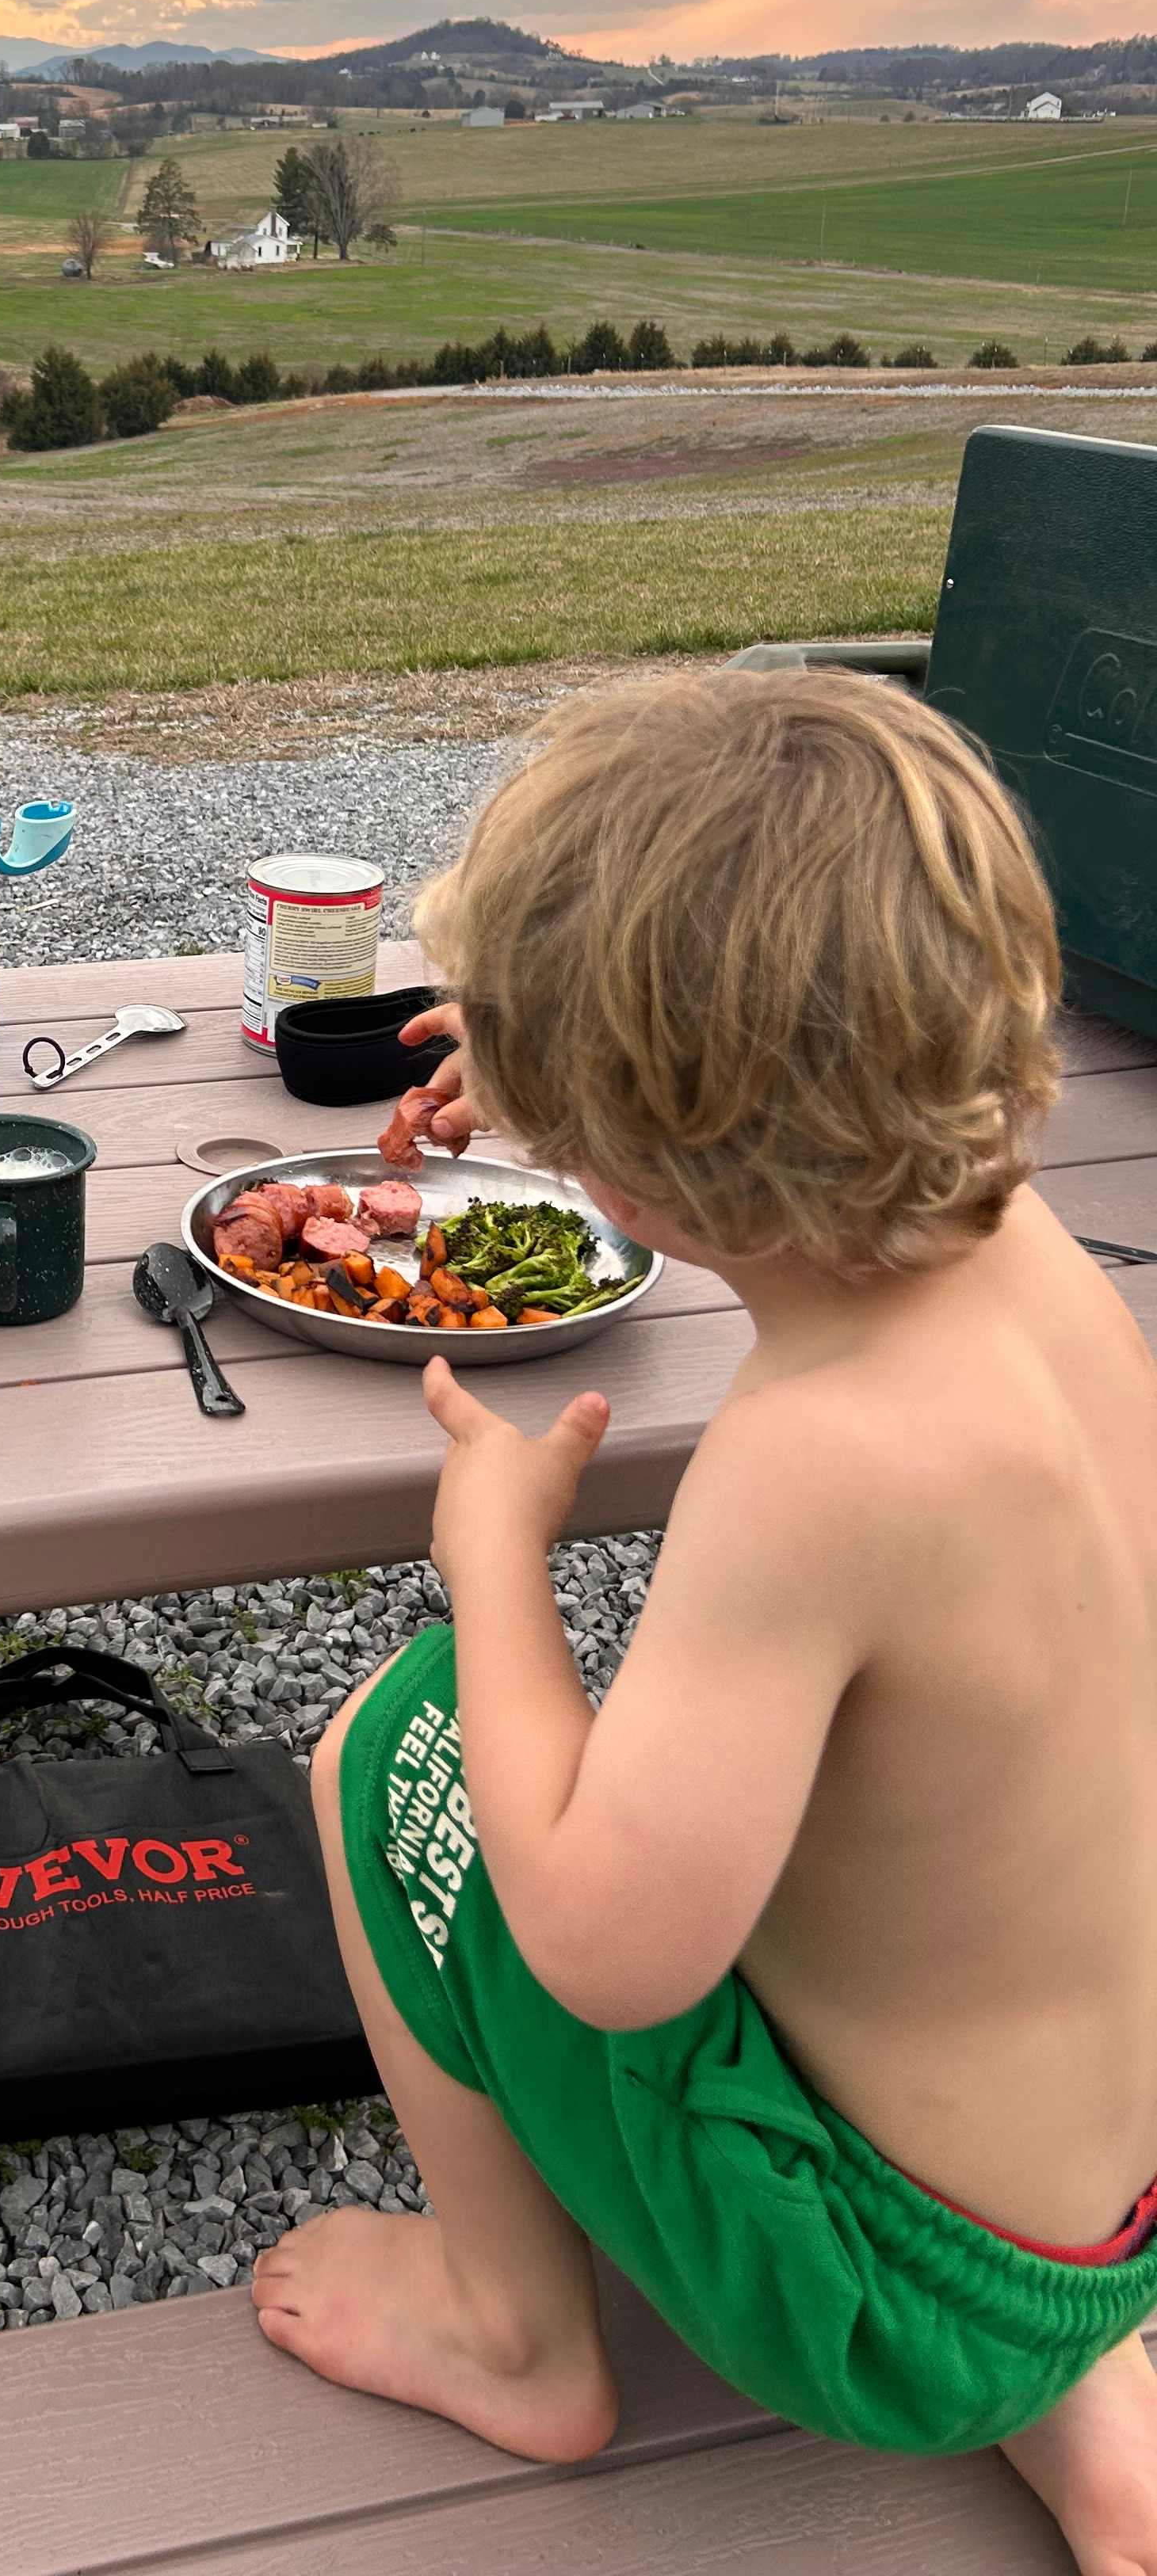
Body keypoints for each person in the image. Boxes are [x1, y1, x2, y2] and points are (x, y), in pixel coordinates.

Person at [254, 671, 1157, 2574]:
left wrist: (498, 1558)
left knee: (395, 1749)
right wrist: (579, 1078)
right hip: (1098, 2216)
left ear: (644, 1148)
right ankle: (1090, 2406)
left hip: (887, 2290)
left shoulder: (818, 1462)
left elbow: (604, 1955)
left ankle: (510, 2334)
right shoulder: (1045, 1275)